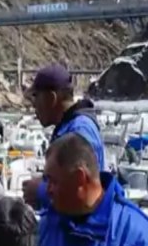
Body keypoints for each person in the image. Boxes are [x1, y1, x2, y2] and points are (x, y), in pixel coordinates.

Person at [21, 64, 104, 209]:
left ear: (52, 98)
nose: (33, 105)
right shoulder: (69, 127)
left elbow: (83, 191)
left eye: (36, 96)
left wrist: (40, 191)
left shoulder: (79, 131)